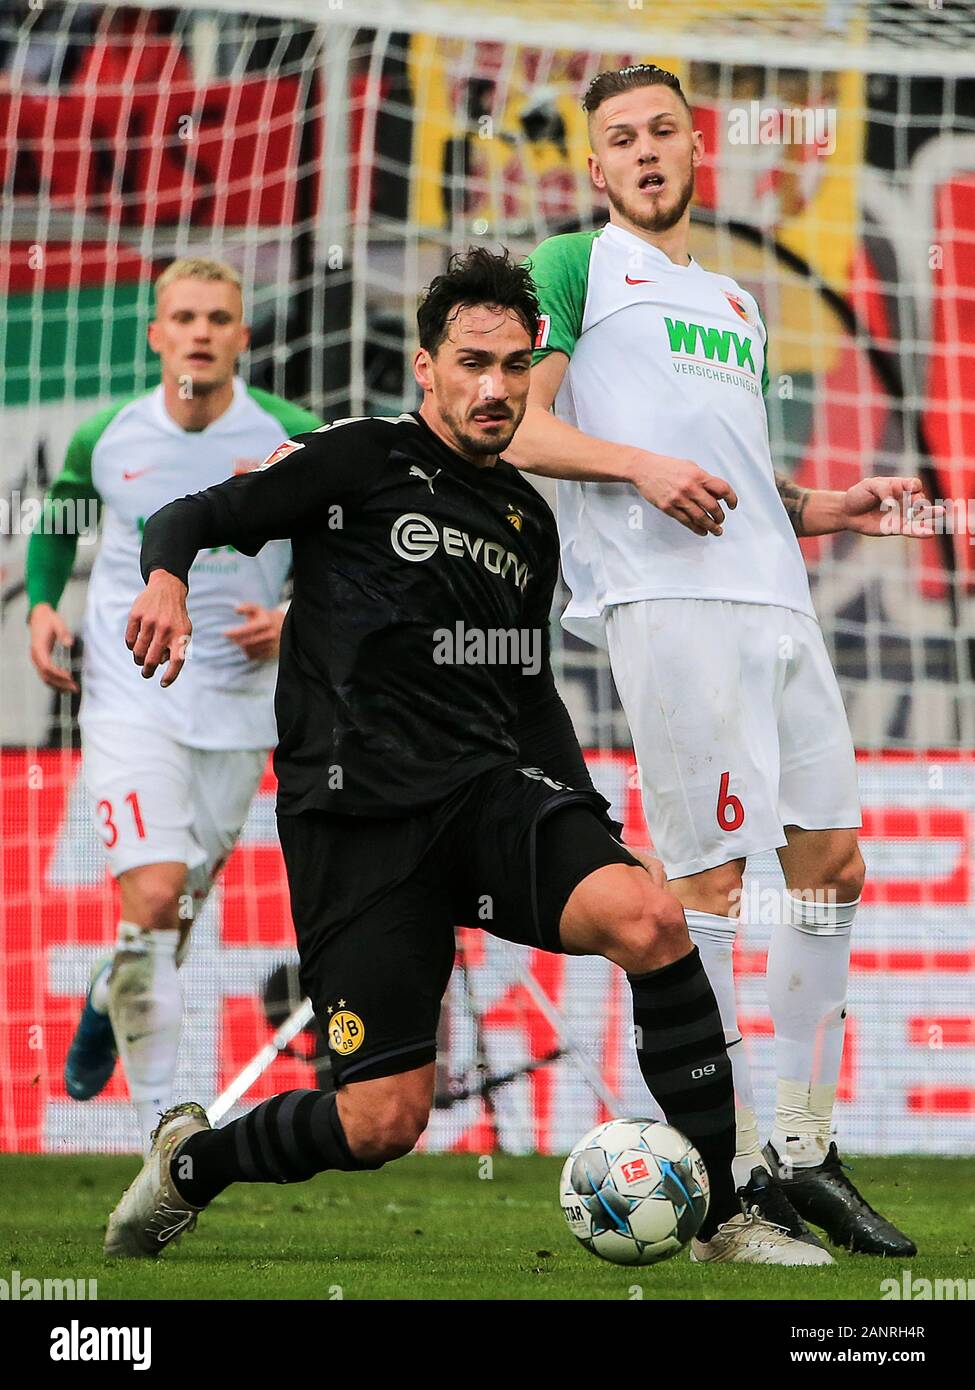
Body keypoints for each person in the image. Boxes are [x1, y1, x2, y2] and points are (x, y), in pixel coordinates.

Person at [103, 247, 824, 1265]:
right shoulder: (351, 458)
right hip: (357, 820)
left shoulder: (528, 518)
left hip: (487, 796)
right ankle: (192, 1162)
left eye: (516, 365)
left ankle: (725, 1219)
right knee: (382, 1122)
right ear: (426, 367)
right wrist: (167, 579)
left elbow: (529, 695)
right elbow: (197, 515)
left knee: (653, 917)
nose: (496, 386)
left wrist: (603, 831)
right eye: (473, 362)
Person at [506, 64, 935, 1257]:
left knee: (832, 866)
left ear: (698, 150)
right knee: (709, 889)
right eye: (618, 140)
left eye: (661, 133)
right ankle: (725, 1186)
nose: (643, 153)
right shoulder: (573, 268)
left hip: (776, 601)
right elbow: (520, 430)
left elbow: (735, 477)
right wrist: (637, 469)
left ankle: (803, 1150)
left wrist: (827, 505)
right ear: (594, 169)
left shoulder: (738, 304)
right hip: (669, 603)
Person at [26, 257, 319, 1152]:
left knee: (173, 916)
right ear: (156, 334)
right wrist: (43, 603)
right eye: (183, 316)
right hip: (131, 694)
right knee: (153, 895)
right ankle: (167, 1133)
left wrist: (299, 612)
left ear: (241, 335)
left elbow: (350, 543)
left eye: (218, 317)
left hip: (240, 708)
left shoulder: (294, 435)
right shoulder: (110, 435)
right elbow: (62, 518)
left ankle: (103, 996)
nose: (200, 331)